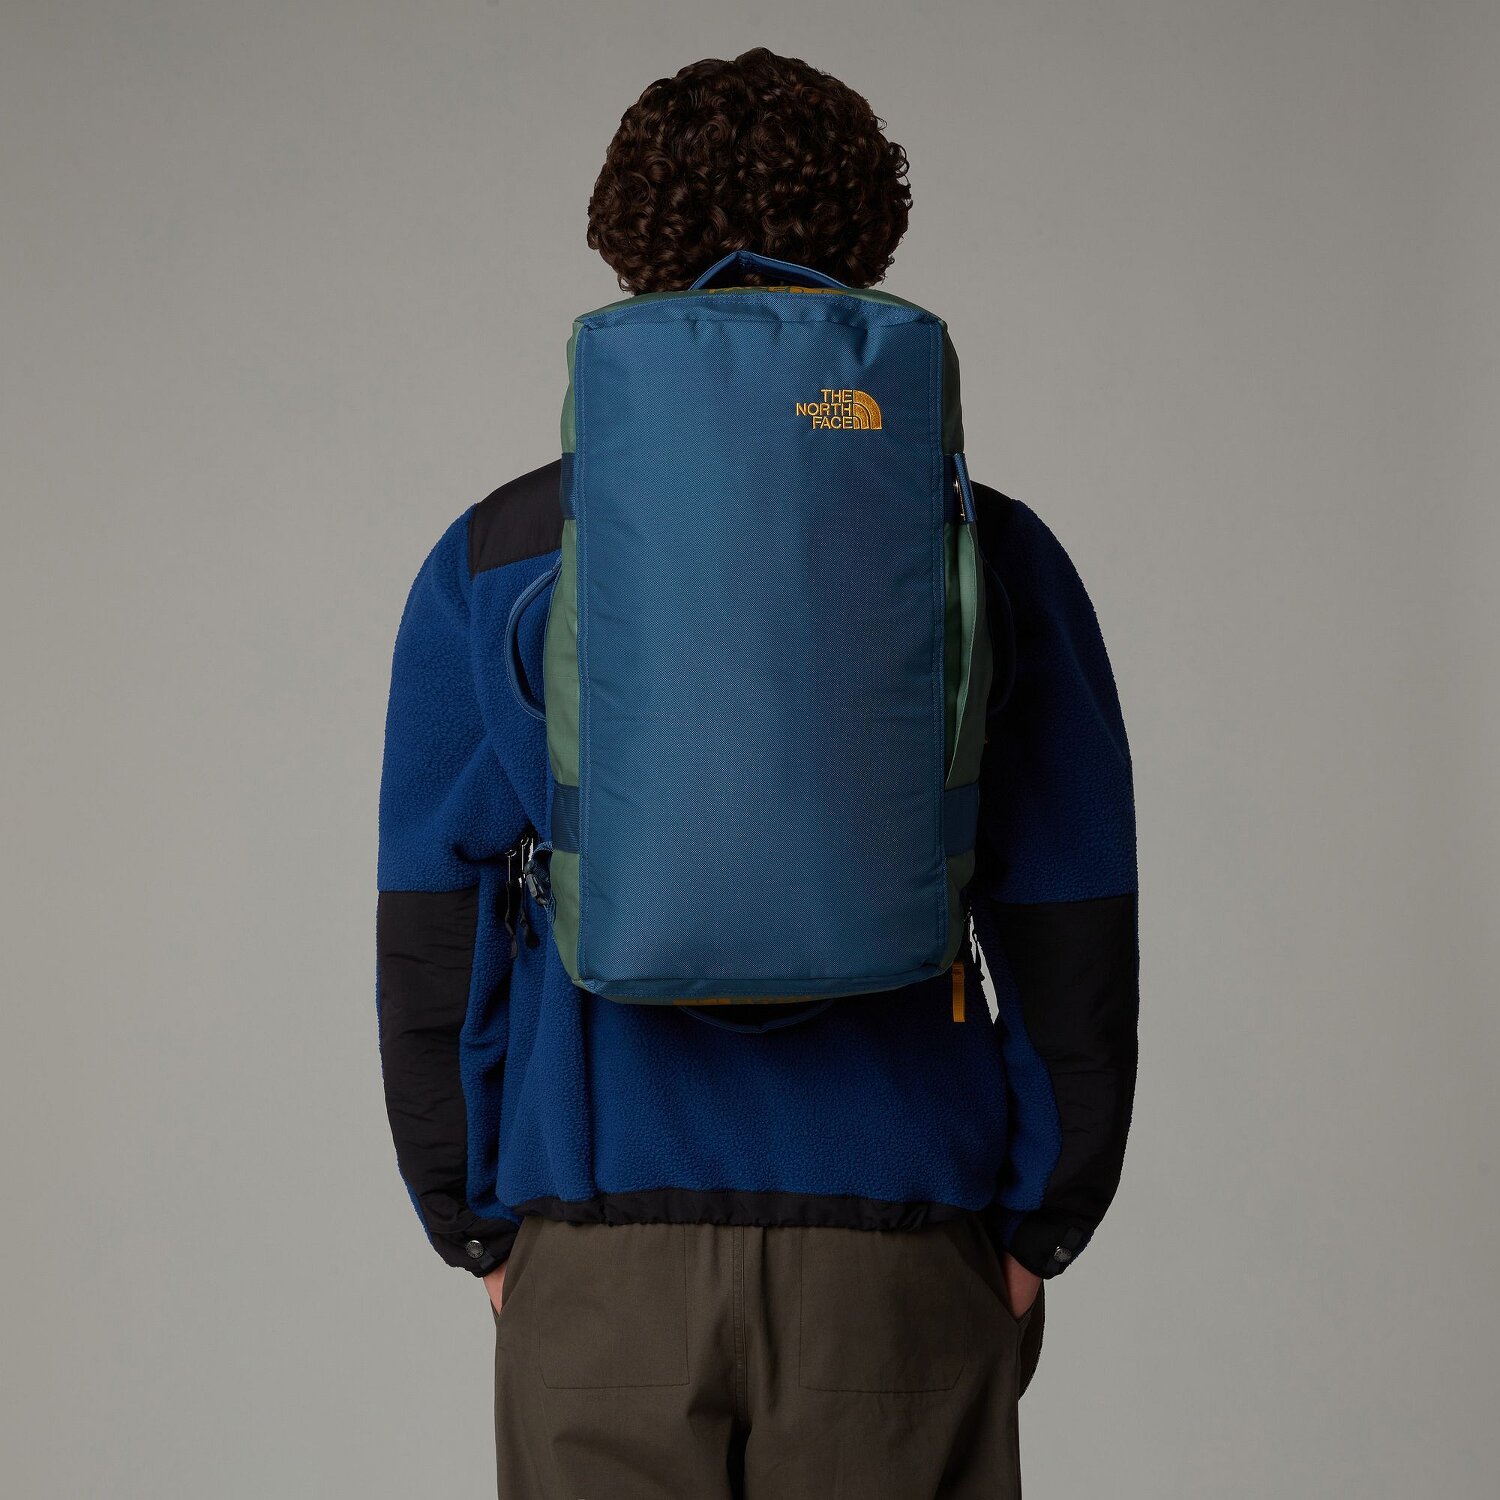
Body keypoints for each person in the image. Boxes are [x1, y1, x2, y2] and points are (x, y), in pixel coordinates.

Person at [376, 47, 1138, 1500]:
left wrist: (477, 1224)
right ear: (868, 238)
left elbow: (435, 926)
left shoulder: (497, 558)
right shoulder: (988, 550)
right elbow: (1072, 914)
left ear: (626, 241)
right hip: (902, 1240)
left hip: (600, 1250)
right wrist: (1042, 1220)